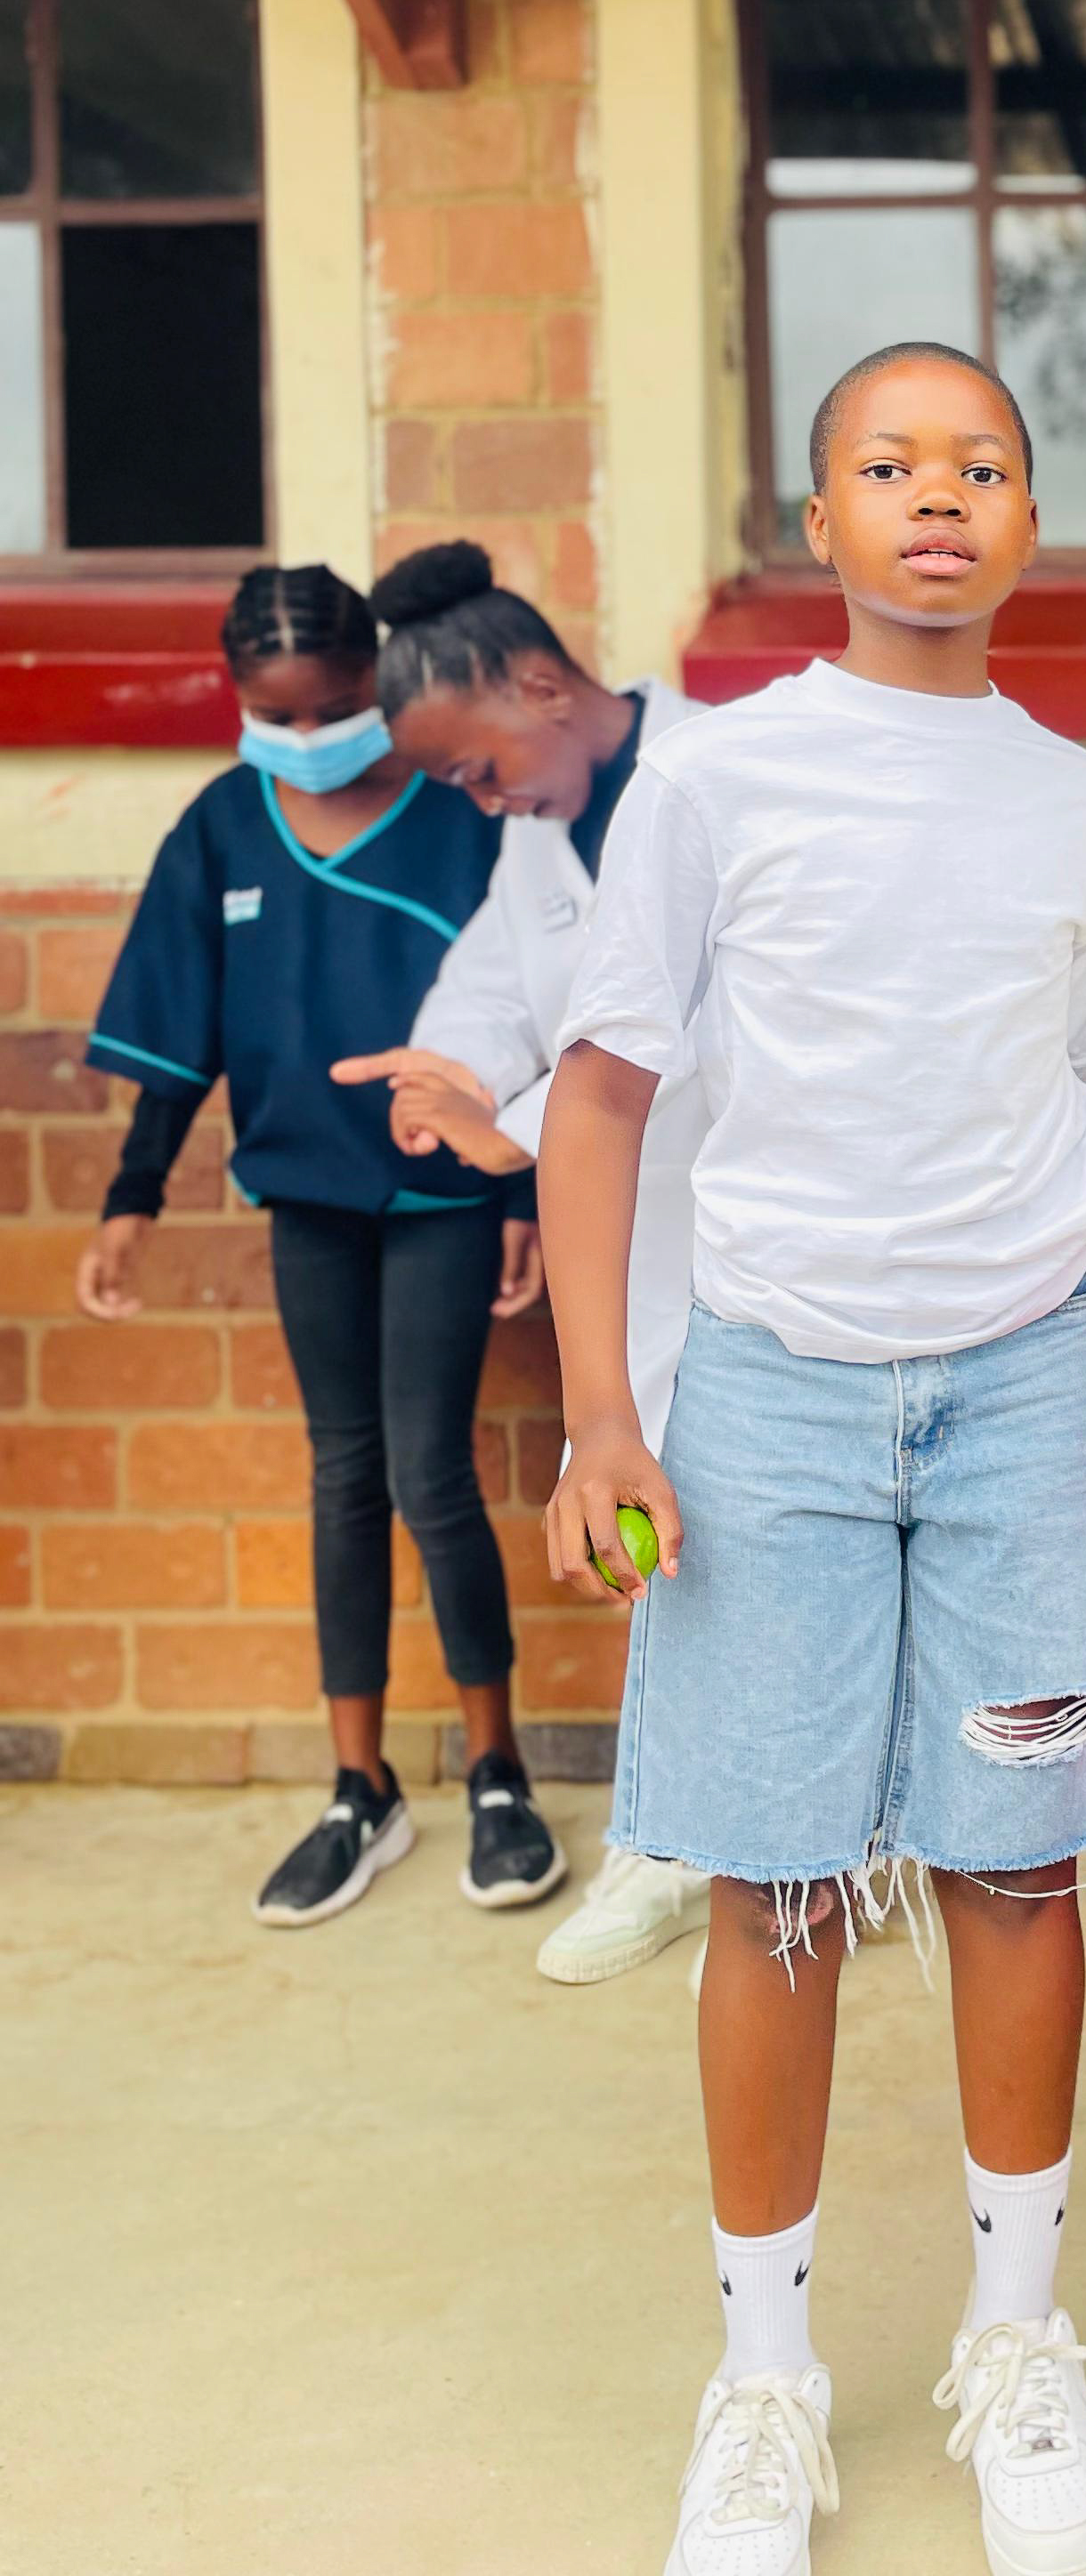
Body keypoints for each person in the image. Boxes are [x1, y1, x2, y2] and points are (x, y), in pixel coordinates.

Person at [537, 339, 1086, 2576]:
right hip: (777, 1407)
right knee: (780, 1880)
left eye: (980, 464)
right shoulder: (719, 778)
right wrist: (604, 1418)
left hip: (1020, 1400)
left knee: (1017, 1860)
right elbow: (601, 1099)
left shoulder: (1071, 804)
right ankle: (766, 2386)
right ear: (818, 520)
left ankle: (1018, 2349)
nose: (938, 496)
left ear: (1027, 521)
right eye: (889, 463)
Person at [75, 563, 556, 1926]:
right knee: (342, 1477)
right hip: (306, 1199)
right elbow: (177, 1027)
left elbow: (533, 1015)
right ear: (239, 700)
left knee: (430, 1474)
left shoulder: (459, 812)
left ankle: (498, 1773)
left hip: (442, 1199)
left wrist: (521, 1199)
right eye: (274, 714)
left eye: (331, 709)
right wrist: (131, 1197)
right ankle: (361, 1789)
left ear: (378, 684)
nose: (303, 736)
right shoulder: (223, 826)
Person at [328, 541, 713, 1988]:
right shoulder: (540, 832)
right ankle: (674, 1844)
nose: (482, 801)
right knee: (650, 1531)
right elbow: (499, 976)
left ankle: (782, 1854)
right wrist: (455, 1069)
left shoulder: (722, 774)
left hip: (771, 1230)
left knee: (775, 1541)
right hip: (637, 1250)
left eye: (478, 769)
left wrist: (524, 1131)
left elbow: (717, 1030)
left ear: (542, 686)